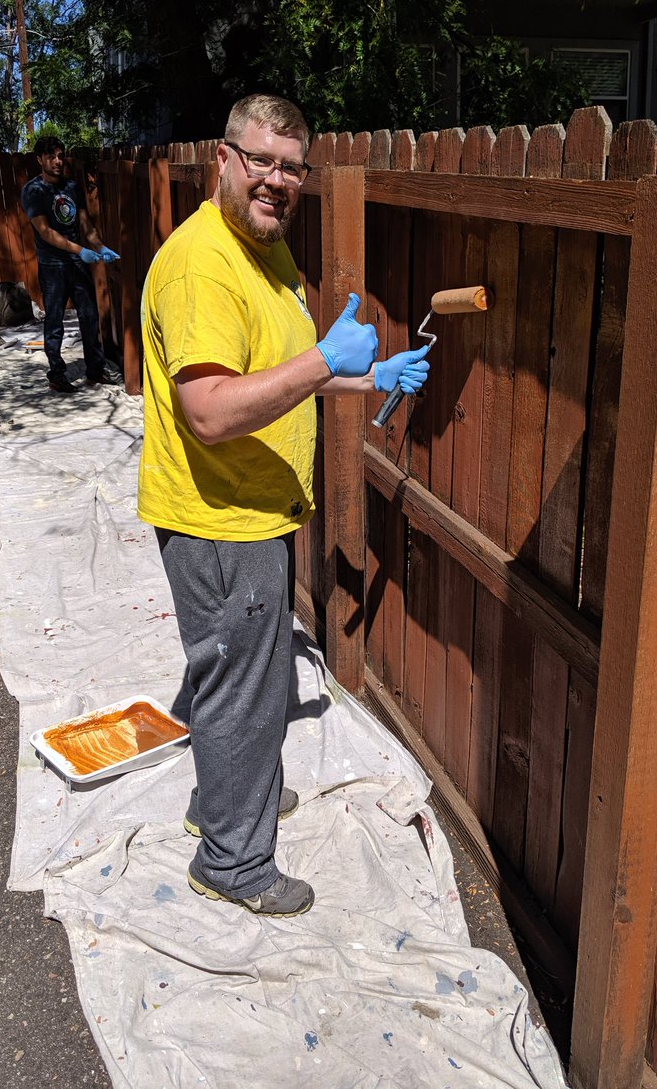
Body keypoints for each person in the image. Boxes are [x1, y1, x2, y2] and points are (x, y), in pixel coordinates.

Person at [138, 94, 431, 918]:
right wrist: (320, 365)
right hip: (218, 518)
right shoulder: (205, 265)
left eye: (291, 167)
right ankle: (231, 860)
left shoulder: (258, 247)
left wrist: (365, 375)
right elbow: (211, 411)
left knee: (248, 677)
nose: (275, 180)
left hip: (250, 511)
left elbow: (273, 367)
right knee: (243, 688)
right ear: (222, 160)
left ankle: (225, 799)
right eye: (260, 161)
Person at [21, 135, 123, 393]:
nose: (57, 161)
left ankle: (95, 370)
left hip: (77, 264)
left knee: (90, 317)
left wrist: (99, 246)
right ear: (39, 159)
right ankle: (56, 373)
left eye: (59, 155)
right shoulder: (33, 191)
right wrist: (81, 250)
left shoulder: (72, 188)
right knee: (54, 320)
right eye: (51, 156)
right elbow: (46, 232)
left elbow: (85, 224)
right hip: (53, 265)